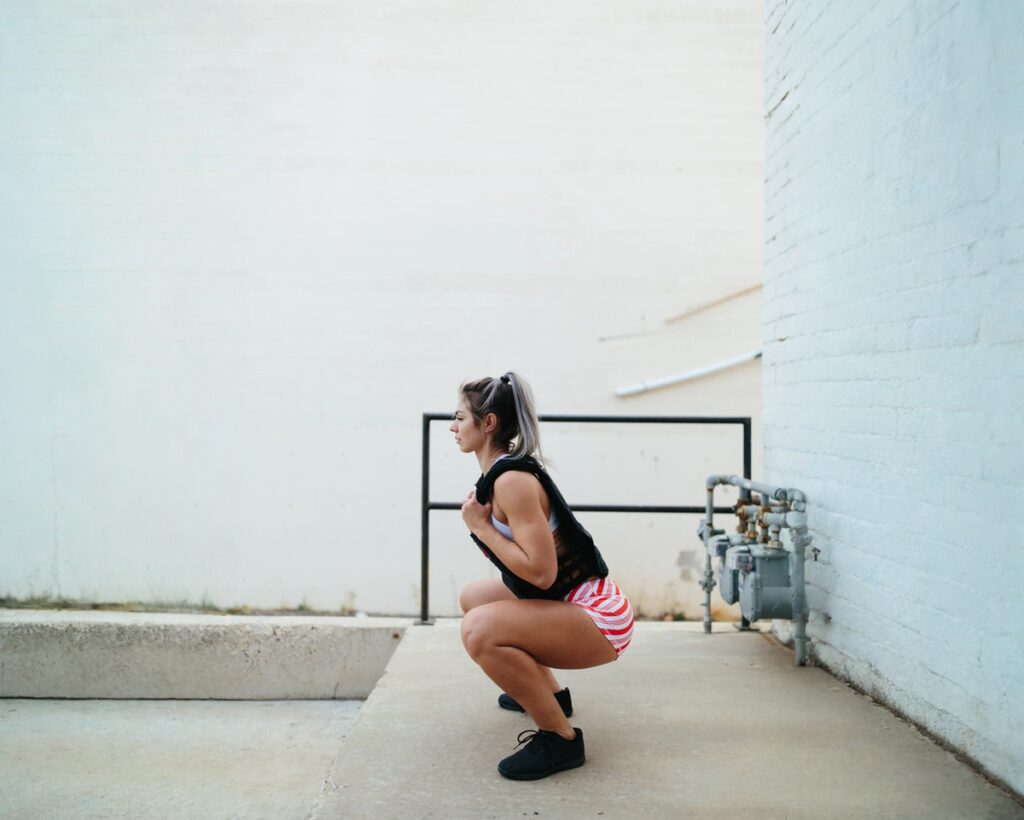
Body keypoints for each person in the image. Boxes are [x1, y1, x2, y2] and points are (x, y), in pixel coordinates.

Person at [451, 371, 634, 780]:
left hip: (600, 619)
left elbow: (541, 570)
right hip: (572, 603)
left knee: (478, 629)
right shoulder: (502, 473)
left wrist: (479, 527)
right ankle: (552, 696)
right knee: (475, 598)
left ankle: (560, 738)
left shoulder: (512, 481)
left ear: (489, 423)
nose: (453, 427)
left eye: (460, 417)